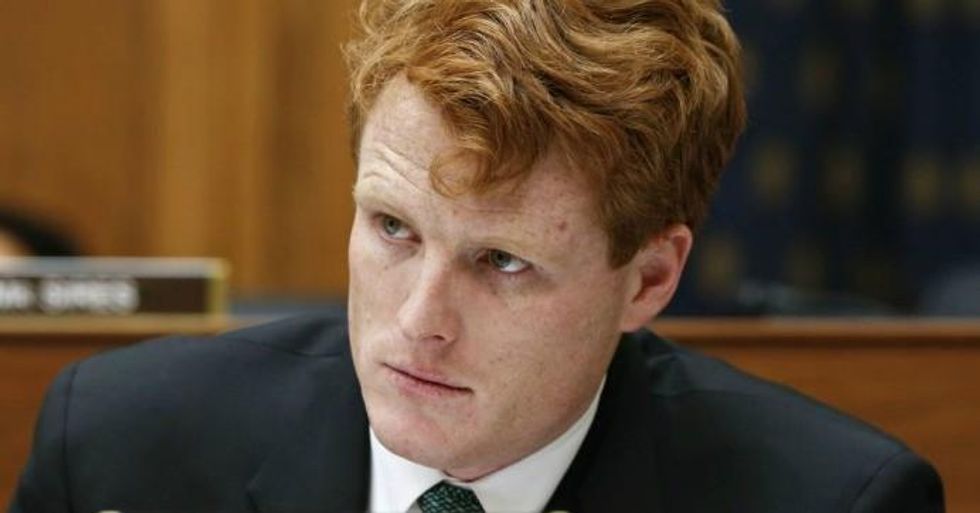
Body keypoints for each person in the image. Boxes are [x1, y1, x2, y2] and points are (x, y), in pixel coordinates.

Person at [10, 1, 943, 512]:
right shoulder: (116, 448)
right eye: (392, 229)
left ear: (650, 278)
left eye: (501, 261)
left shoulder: (836, 502)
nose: (418, 321)